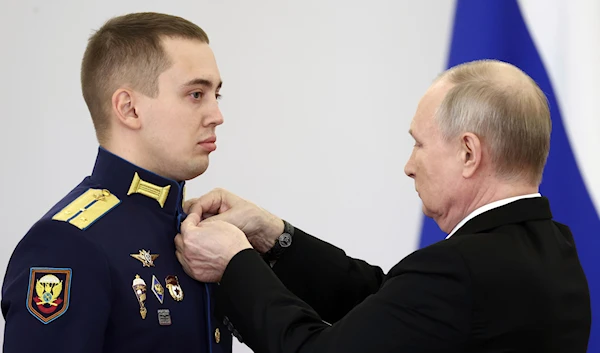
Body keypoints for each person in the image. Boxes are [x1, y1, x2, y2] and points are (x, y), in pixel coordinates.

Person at [175, 59, 592, 352]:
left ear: (469, 153)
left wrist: (236, 264)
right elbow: (388, 304)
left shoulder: (461, 270)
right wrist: (277, 236)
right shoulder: (555, 249)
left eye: (419, 143)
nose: (409, 166)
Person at [1, 12, 233, 352]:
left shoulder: (191, 226)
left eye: (217, 95)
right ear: (129, 109)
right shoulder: (67, 243)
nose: (217, 115)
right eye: (196, 94)